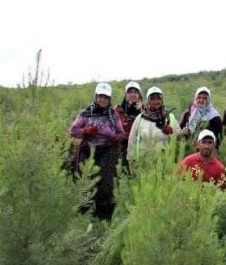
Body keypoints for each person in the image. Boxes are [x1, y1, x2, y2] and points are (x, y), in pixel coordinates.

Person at [68, 82, 125, 219]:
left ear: (109, 99)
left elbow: (121, 133)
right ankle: (83, 215)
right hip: (87, 151)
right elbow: (73, 131)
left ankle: (103, 217)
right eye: (100, 96)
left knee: (105, 185)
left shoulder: (113, 115)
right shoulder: (85, 113)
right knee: (85, 182)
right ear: (96, 96)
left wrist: (115, 138)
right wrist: (85, 131)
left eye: (105, 97)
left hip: (106, 152)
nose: (103, 100)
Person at [127, 86, 180, 162]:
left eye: (158, 98)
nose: (156, 101)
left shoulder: (170, 117)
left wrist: (172, 132)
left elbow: (180, 137)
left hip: (164, 160)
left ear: (162, 100)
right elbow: (132, 140)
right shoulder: (141, 117)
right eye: (152, 99)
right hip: (143, 161)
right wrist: (131, 159)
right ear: (148, 101)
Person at [113, 81, 143, 167]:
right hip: (121, 147)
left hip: (139, 146)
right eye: (130, 92)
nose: (132, 94)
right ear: (126, 94)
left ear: (139, 95)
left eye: (135, 92)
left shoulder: (145, 110)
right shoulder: (118, 109)